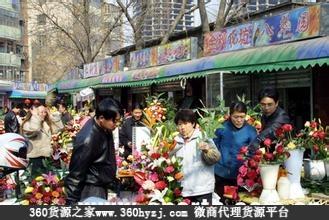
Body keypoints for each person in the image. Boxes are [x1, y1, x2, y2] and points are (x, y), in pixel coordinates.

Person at [64, 98, 123, 205]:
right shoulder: (88, 139)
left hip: (101, 185)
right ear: (101, 118)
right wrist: (71, 202)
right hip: (91, 189)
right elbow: (76, 173)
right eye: (114, 121)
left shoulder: (105, 127)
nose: (117, 124)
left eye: (118, 120)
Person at [171, 109, 220, 204]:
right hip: (183, 190)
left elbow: (216, 158)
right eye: (180, 124)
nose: (182, 127)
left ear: (193, 123)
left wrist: (207, 150)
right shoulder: (175, 141)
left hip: (202, 189)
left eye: (185, 123)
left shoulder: (203, 137)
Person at [213, 101, 257, 201]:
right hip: (222, 174)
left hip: (242, 176)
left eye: (242, 117)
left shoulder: (250, 130)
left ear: (246, 115)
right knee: (225, 202)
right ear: (230, 115)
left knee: (241, 203)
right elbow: (213, 147)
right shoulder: (221, 128)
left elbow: (254, 152)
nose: (239, 120)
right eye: (235, 117)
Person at [21, 105, 63, 177]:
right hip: (35, 158)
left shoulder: (45, 123)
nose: (44, 114)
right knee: (36, 182)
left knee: (48, 183)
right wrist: (35, 117)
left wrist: (52, 116)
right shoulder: (28, 124)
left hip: (47, 157)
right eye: (41, 112)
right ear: (34, 113)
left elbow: (59, 128)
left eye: (45, 112)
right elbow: (34, 130)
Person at [249, 87, 290, 155]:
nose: (266, 108)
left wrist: (257, 140)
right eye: (263, 104)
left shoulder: (282, 116)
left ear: (276, 103)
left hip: (284, 156)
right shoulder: (264, 115)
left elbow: (271, 130)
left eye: (270, 104)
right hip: (270, 153)